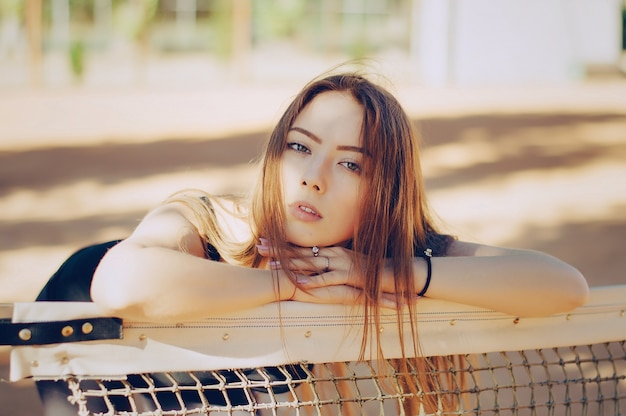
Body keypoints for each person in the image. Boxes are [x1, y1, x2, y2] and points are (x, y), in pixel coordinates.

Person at [36, 70, 589, 414]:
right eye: (301, 147)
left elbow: (563, 286)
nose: (314, 176)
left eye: (350, 163)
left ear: (384, 192)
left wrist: (382, 273)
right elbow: (121, 283)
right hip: (84, 362)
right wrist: (287, 282)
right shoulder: (208, 220)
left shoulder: (392, 251)